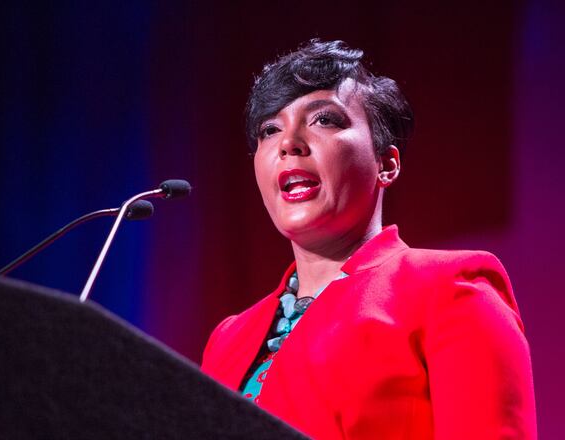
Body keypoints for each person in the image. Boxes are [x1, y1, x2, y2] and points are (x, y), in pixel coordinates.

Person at [201, 39, 537, 439]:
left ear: (386, 163)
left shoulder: (449, 290)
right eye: (269, 130)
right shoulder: (228, 340)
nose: (288, 144)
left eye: (324, 119)